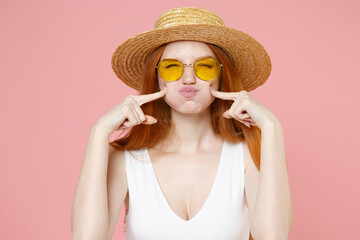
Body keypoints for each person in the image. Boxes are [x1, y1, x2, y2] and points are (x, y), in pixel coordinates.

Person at [71, 7, 293, 240]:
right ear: (156, 77)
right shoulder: (124, 159)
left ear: (221, 75)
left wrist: (271, 128)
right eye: (172, 67)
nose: (188, 78)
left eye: (204, 66)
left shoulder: (246, 155)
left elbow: (273, 237)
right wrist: (98, 133)